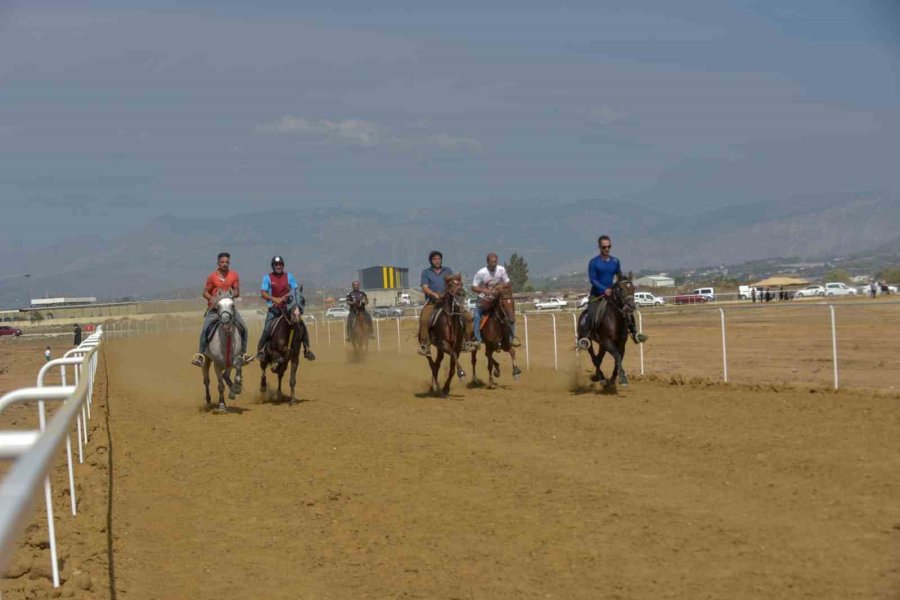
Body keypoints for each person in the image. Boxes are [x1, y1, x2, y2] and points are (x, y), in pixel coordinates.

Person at [576, 235, 647, 350]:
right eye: (604, 247)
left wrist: (622, 284)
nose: (607, 249)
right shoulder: (594, 262)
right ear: (599, 247)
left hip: (612, 294)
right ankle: (585, 337)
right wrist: (604, 289)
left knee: (627, 309)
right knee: (591, 312)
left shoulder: (615, 261)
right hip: (597, 294)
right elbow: (592, 279)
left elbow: (619, 276)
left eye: (609, 246)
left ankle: (634, 333)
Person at [191, 252, 252, 367]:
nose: (225, 264)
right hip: (214, 310)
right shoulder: (212, 277)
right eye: (222, 262)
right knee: (205, 330)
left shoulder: (234, 275)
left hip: (229, 310)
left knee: (244, 328)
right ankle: (200, 355)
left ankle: (243, 354)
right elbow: (204, 293)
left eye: (227, 262)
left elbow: (237, 292)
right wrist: (212, 298)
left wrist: (227, 296)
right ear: (218, 263)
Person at [256, 256, 314, 361]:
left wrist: (295, 301)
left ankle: (307, 349)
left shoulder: (289, 276)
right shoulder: (267, 277)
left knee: (302, 326)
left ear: (283, 265)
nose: (278, 266)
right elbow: (263, 294)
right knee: (267, 329)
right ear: (273, 266)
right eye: (276, 264)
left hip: (288, 310)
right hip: (274, 310)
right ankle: (261, 351)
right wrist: (275, 299)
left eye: (280, 264)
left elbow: (295, 291)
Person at [417, 250, 475, 356]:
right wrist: (434, 294)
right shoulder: (426, 272)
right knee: (424, 320)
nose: (437, 261)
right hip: (433, 302)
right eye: (435, 259)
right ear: (431, 261)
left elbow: (454, 283)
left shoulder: (448, 270)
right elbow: (425, 288)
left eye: (439, 259)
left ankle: (467, 341)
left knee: (468, 317)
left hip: (448, 301)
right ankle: (425, 345)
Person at [471, 252, 520, 347]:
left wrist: (501, 286)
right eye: (491, 262)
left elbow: (508, 283)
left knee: (509, 313)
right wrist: (484, 290)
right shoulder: (481, 272)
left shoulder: (501, 270)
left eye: (495, 261)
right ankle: (477, 338)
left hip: (497, 299)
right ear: (487, 262)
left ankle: (512, 338)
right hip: (484, 300)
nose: (493, 264)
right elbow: (473, 287)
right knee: (477, 315)